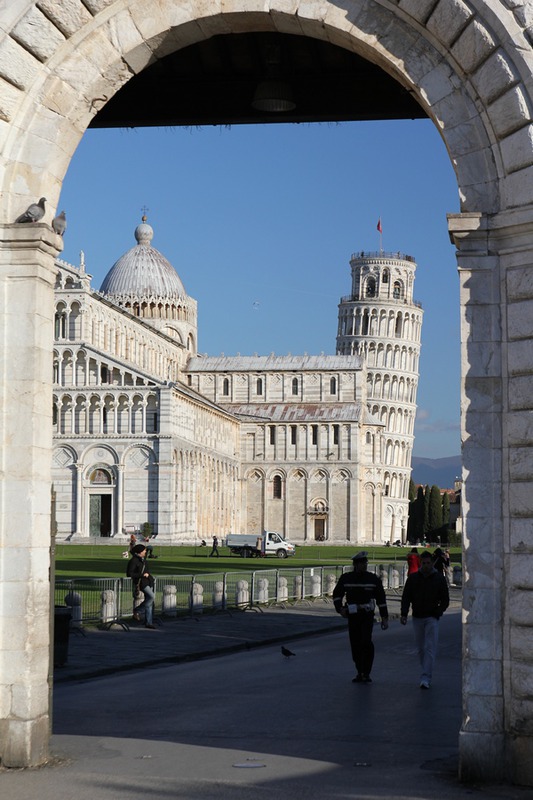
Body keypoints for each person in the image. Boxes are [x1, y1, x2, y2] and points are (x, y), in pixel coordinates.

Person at [332, 551, 389, 683]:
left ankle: (366, 672)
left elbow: (381, 599)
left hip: (367, 615)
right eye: (362, 563)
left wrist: (384, 617)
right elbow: (337, 594)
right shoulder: (347, 578)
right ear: (355, 564)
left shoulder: (373, 579)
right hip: (353, 615)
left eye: (365, 563)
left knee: (366, 641)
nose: (364, 565)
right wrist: (340, 609)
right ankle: (359, 671)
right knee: (355, 643)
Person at [400, 549, 449, 689]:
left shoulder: (438, 578)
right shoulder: (414, 578)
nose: (426, 565)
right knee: (421, 648)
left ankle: (426, 676)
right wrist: (404, 613)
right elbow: (406, 597)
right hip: (417, 616)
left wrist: (438, 612)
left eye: (428, 563)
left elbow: (445, 599)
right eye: (424, 563)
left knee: (430, 647)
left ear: (432, 563)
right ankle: (426, 670)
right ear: (421, 563)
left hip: (432, 617)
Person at [126, 544, 156, 628]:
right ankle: (138, 610)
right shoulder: (134, 561)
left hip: (149, 581)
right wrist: (142, 575)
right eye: (144, 551)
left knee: (149, 602)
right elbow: (129, 573)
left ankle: (148, 622)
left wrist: (149, 548)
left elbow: (148, 550)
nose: (145, 552)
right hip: (142, 582)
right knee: (151, 597)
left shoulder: (143, 559)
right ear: (140, 552)